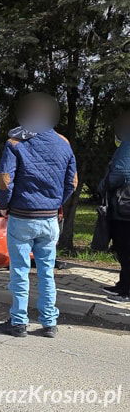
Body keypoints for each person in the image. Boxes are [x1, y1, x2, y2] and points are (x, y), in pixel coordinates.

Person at [0, 93, 77, 338]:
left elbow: (4, 179)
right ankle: (49, 322)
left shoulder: (15, 142)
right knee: (46, 271)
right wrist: (54, 203)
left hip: (22, 217)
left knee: (19, 271)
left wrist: (4, 205)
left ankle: (18, 322)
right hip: (50, 219)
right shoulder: (64, 143)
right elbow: (72, 181)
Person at [101, 111, 130, 304]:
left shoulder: (127, 145)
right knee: (123, 249)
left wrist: (103, 184)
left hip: (125, 207)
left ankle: (126, 291)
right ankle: (122, 285)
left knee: (126, 248)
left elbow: (120, 173)